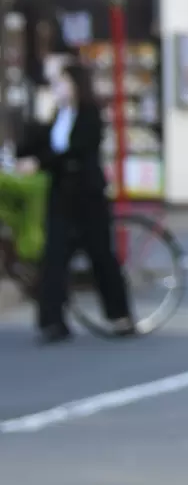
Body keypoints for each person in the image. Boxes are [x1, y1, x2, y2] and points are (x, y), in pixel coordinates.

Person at [19, 59, 134, 342]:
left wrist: (41, 162)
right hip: (61, 196)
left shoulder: (89, 114)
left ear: (76, 84)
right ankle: (52, 322)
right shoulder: (57, 115)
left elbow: (78, 150)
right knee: (54, 258)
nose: (57, 88)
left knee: (101, 256)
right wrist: (38, 120)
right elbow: (33, 145)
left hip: (88, 197)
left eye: (62, 83)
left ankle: (120, 316)